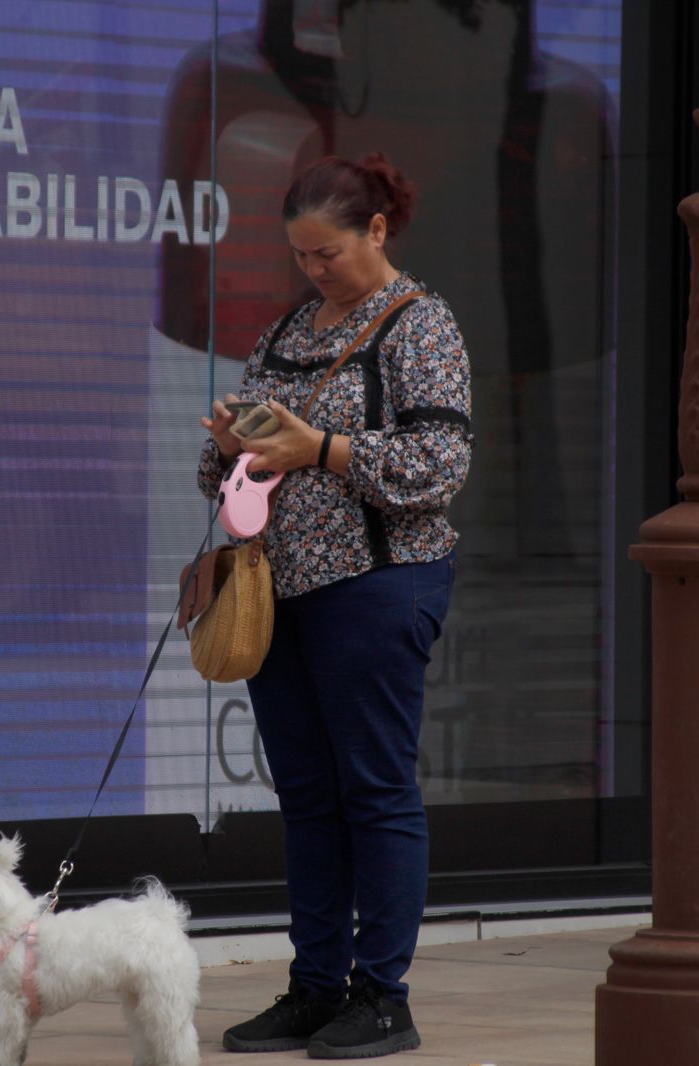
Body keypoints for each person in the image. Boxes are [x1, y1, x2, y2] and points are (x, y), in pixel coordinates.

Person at [196, 153, 472, 1059]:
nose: (315, 271)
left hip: (379, 586)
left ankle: (382, 996)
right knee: (309, 798)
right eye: (302, 256)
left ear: (378, 231)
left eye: (329, 253)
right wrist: (231, 448)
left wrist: (322, 450)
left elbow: (439, 469)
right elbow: (235, 473)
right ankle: (315, 987)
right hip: (281, 592)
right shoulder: (286, 333)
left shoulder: (419, 327)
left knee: (376, 792)